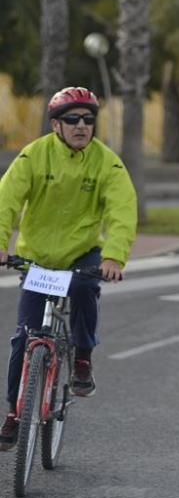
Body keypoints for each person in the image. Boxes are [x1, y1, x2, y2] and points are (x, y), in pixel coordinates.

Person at [0, 87, 137, 450]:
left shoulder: (106, 162)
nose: (82, 126)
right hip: (39, 257)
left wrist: (113, 257)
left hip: (82, 254)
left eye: (89, 120)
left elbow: (122, 209)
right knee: (24, 336)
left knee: (82, 289)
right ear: (56, 125)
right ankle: (14, 413)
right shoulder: (34, 155)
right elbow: (6, 199)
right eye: (72, 119)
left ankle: (81, 357)